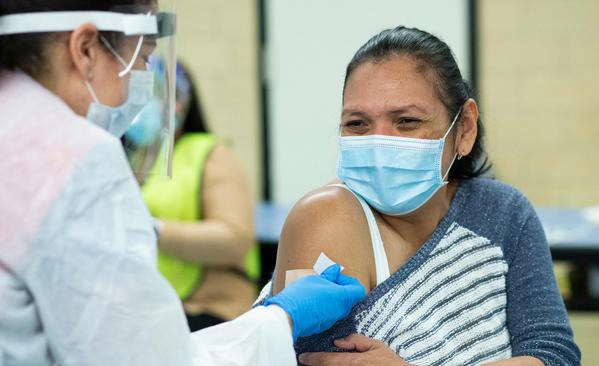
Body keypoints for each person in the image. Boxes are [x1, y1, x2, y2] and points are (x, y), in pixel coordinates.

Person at [0, 2, 365, 365]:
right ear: (84, 49)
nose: (141, 93)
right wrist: (281, 318)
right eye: (142, 60)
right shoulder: (74, 157)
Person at [260, 27, 581, 365]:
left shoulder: (502, 212)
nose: (380, 143)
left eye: (407, 121)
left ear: (465, 128)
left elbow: (553, 354)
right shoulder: (325, 217)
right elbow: (313, 358)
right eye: (357, 124)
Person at [137, 61, 259, 331]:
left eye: (149, 97)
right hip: (153, 308)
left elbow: (234, 239)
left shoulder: (210, 153)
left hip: (209, 308)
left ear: (179, 104)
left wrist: (153, 230)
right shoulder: (137, 158)